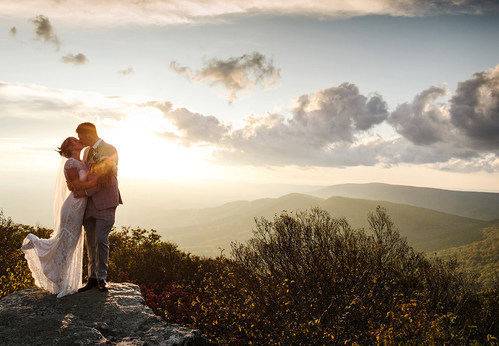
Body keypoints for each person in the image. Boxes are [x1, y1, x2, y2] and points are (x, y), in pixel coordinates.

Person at [21, 137, 97, 298]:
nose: (79, 141)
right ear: (70, 147)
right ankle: (37, 245)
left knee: (70, 243)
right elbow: (74, 185)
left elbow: (76, 185)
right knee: (66, 242)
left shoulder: (82, 162)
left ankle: (61, 279)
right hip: (72, 207)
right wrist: (96, 182)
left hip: (79, 205)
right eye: (75, 141)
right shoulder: (70, 163)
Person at [73, 122, 122, 293]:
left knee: (101, 240)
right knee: (90, 241)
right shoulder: (86, 152)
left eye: (81, 137)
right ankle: (92, 277)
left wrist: (85, 193)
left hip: (105, 202)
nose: (80, 140)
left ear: (88, 135)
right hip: (89, 205)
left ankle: (102, 277)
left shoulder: (110, 150)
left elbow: (105, 179)